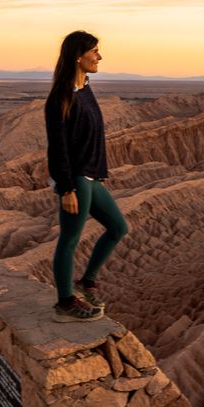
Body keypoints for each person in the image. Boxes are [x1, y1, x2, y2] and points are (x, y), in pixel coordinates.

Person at [45, 31, 129, 322]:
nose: (99, 57)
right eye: (94, 51)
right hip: (76, 180)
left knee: (118, 227)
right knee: (69, 240)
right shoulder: (61, 97)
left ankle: (86, 282)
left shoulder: (86, 89)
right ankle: (66, 301)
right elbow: (58, 148)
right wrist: (66, 189)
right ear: (77, 56)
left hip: (92, 177)